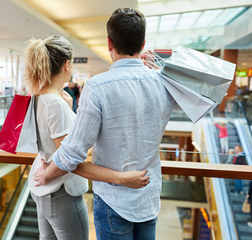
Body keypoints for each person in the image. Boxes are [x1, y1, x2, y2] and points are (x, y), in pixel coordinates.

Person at [34, 8, 176, 240]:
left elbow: (72, 152)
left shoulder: (98, 86)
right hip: (148, 196)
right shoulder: (162, 82)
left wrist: (47, 174)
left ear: (109, 43)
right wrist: (163, 64)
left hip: (113, 201)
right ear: (143, 43)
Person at [24, 35, 149, 240]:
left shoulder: (40, 98)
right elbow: (70, 160)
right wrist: (122, 178)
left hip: (44, 192)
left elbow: (58, 143)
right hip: (62, 193)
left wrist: (69, 108)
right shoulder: (55, 104)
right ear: (66, 65)